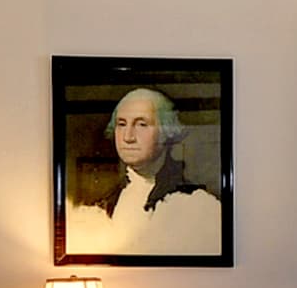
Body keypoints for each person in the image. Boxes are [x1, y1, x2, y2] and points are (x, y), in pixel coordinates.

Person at [65, 84, 225, 258]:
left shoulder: (197, 205)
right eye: (121, 124)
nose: (128, 137)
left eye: (141, 124)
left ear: (166, 131)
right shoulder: (103, 202)